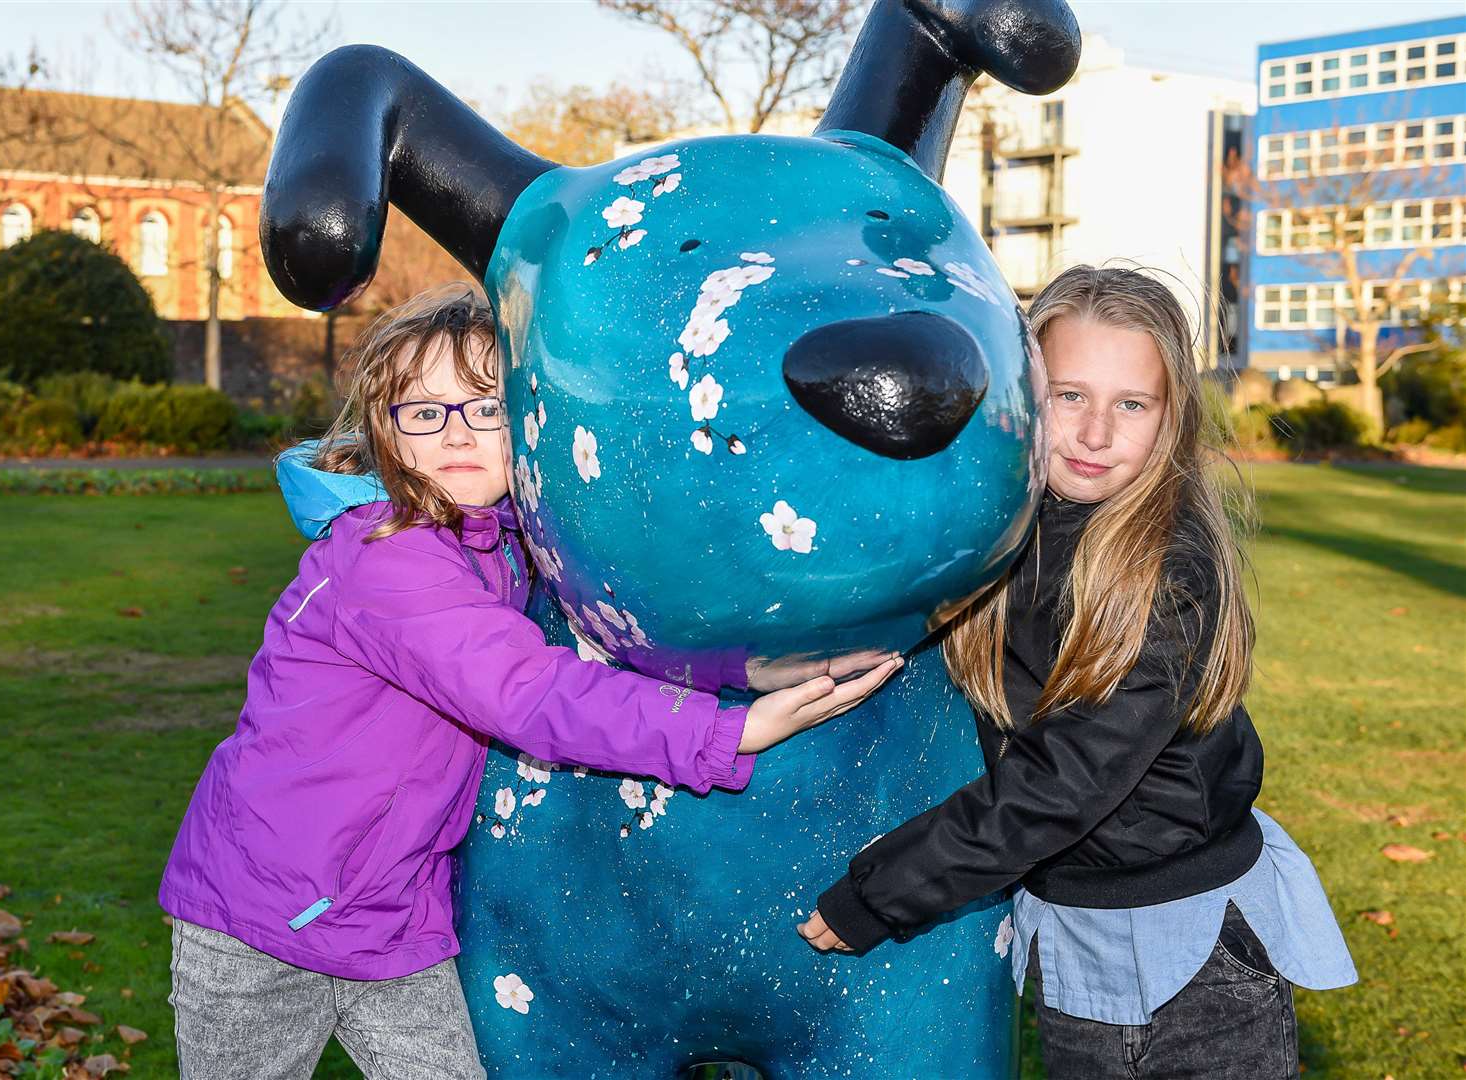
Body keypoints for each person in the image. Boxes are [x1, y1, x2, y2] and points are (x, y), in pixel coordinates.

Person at [159, 285, 901, 1080]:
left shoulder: (501, 543)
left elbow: (611, 640)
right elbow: (529, 691)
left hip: (394, 918)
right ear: (385, 431)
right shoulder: (388, 557)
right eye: (423, 411)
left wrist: (765, 666)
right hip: (265, 920)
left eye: (485, 406)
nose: (455, 433)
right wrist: (731, 731)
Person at [798, 265, 1356, 1078]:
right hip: (1073, 939)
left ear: (1171, 421)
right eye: (1069, 395)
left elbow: (1067, 778)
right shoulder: (999, 530)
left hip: (1200, 957)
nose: (1095, 432)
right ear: (1024, 392)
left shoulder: (1168, 569)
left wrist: (887, 890)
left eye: (1131, 404)